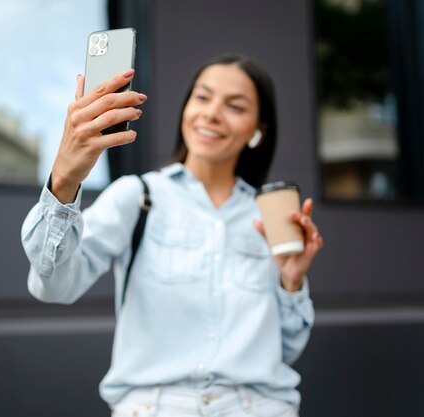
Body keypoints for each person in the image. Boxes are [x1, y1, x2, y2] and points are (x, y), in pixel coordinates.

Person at [21, 53, 323, 417]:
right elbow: (52, 287)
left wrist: (292, 281)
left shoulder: (268, 215)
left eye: (235, 106)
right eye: (202, 97)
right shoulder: (138, 196)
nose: (211, 113)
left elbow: (284, 349)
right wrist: (65, 181)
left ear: (258, 130)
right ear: (186, 108)